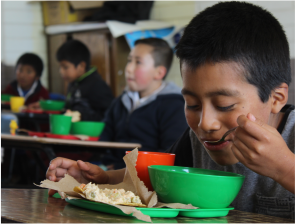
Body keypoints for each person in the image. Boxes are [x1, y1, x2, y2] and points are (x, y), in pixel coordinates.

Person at [46, 2, 295, 219]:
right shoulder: (198, 144)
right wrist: (101, 179)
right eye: (193, 105)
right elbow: (156, 179)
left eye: (224, 105)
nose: (205, 123)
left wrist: (285, 168)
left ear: (276, 98)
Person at [100, 37, 188, 169]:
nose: (128, 68)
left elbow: (169, 154)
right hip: (112, 173)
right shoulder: (120, 101)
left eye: (138, 62)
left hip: (148, 179)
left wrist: (120, 167)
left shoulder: (173, 105)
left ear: (159, 72)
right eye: (129, 60)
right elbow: (104, 139)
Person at [56, 39, 114, 121]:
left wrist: (81, 116)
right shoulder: (73, 83)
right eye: (60, 67)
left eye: (65, 67)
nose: (61, 71)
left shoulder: (97, 85)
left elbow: (109, 115)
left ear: (81, 66)